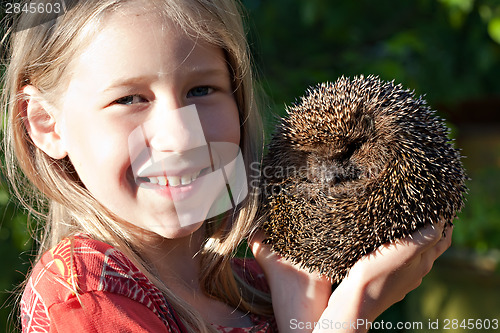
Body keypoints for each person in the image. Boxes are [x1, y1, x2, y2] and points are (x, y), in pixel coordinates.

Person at [1, 0, 452, 332]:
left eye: (202, 90)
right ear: (46, 124)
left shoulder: (265, 285)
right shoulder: (83, 297)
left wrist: (299, 305)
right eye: (129, 99)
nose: (181, 136)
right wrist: (347, 316)